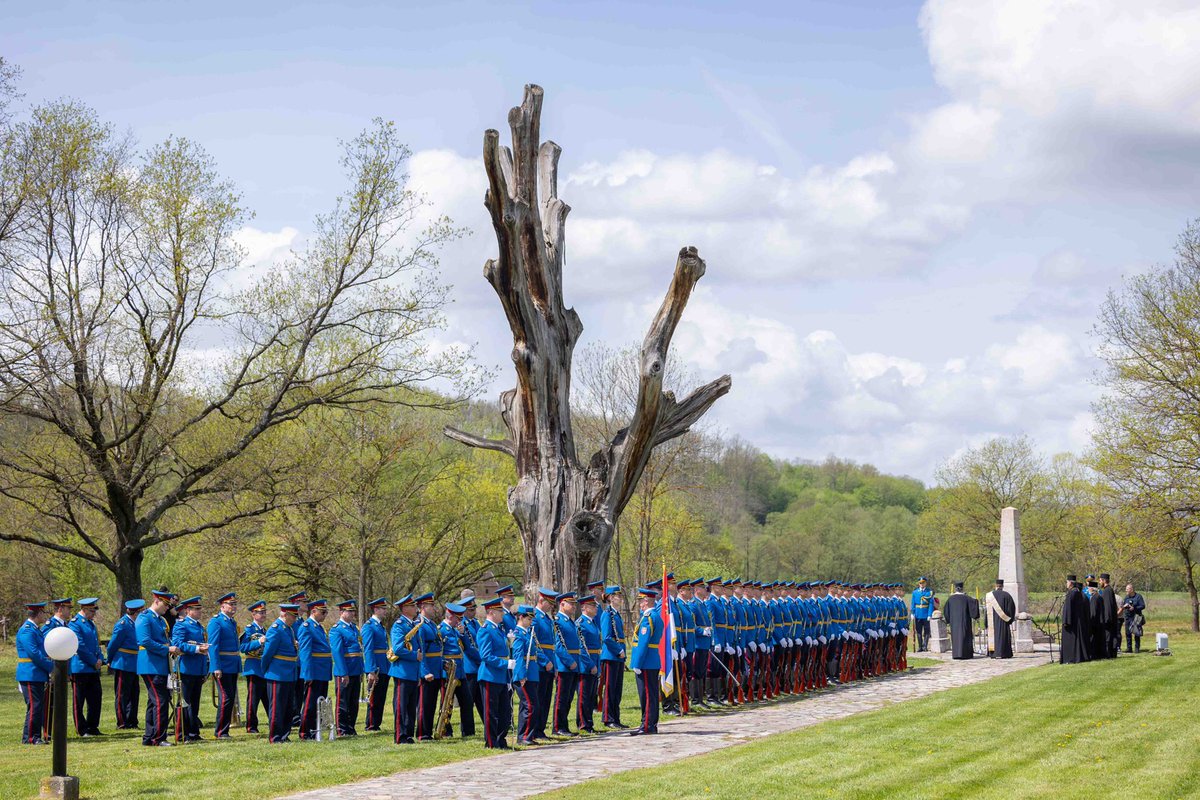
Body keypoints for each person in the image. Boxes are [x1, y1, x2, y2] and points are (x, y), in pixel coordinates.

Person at [137, 589, 180, 746]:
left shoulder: (161, 620)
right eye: (165, 604)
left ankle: (149, 736)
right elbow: (145, 641)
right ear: (156, 601)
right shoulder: (144, 618)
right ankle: (158, 738)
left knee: (153, 701)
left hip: (161, 665)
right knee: (160, 701)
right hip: (150, 665)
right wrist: (167, 649)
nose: (167, 608)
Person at [476, 597, 513, 749]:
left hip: (501, 676)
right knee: (491, 712)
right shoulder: (485, 630)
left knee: (504, 710)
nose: (502, 614)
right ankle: (491, 742)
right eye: (499, 611)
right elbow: (485, 655)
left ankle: (501, 739)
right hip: (490, 675)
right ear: (491, 612)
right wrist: (505, 663)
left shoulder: (499, 630)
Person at [171, 596, 210, 743]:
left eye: (200, 609)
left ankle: (193, 732)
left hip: (197, 668)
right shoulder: (182, 625)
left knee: (194, 702)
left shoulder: (199, 626)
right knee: (184, 702)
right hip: (185, 668)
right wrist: (197, 649)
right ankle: (182, 733)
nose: (199, 611)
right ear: (188, 610)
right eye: (196, 609)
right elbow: (178, 644)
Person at [260, 602, 301, 743]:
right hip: (277, 673)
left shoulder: (288, 629)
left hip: (289, 672)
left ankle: (284, 734)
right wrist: (266, 670)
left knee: (288, 706)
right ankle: (275, 736)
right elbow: (267, 654)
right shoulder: (276, 629)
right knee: (277, 707)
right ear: (285, 614)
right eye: (293, 616)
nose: (295, 619)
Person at [17, 601, 55, 744]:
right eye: (43, 612)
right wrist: (51, 667)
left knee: (38, 706)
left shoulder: (35, 629)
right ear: (38, 613)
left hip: (37, 673)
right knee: (35, 706)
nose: (44, 615)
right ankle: (31, 738)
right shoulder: (27, 630)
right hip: (30, 673)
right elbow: (34, 653)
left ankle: (33, 736)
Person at [437, 602, 477, 738]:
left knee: (467, 701)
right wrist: (444, 664)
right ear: (450, 617)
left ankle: (468, 731)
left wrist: (463, 634)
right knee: (446, 702)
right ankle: (445, 730)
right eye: (458, 619)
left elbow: (466, 647)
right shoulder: (441, 630)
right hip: (448, 670)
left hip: (460, 670)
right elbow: (438, 651)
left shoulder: (456, 630)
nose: (460, 621)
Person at [68, 597, 105, 737]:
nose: (94, 613)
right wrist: (93, 660)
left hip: (93, 667)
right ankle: (81, 729)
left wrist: (100, 658)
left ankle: (92, 727)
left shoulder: (90, 624)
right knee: (79, 700)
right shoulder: (75, 624)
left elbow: (96, 644)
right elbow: (79, 646)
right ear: (83, 609)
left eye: (94, 609)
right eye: (91, 610)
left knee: (95, 698)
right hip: (81, 667)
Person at [207, 592, 241, 739]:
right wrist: (216, 666)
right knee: (226, 698)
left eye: (235, 604)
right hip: (223, 665)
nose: (234, 607)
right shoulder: (216, 622)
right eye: (231, 604)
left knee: (230, 698)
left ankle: (224, 730)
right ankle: (220, 731)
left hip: (232, 664)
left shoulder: (231, 622)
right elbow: (213, 646)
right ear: (222, 606)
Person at [629, 587, 661, 736]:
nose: (640, 604)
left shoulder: (648, 618)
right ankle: (651, 723)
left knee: (647, 694)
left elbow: (643, 644)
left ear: (646, 601)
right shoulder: (654, 616)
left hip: (646, 662)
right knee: (652, 694)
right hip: (651, 660)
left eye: (641, 601)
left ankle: (647, 724)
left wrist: (637, 663)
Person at [388, 594, 420, 744]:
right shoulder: (399, 625)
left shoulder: (412, 625)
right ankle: (400, 735)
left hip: (413, 671)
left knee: (411, 705)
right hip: (403, 670)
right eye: (413, 606)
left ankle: (408, 734)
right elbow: (398, 648)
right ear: (405, 608)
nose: (416, 609)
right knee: (401, 705)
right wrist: (415, 656)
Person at [297, 598, 331, 740]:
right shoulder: (307, 627)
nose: (325, 614)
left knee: (320, 703)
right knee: (311, 704)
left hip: (322, 671)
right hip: (314, 671)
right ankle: (305, 732)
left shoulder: (318, 627)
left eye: (326, 612)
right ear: (314, 611)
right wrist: (308, 673)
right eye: (323, 612)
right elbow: (305, 652)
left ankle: (316, 729)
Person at [106, 599, 143, 730]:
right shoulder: (123, 624)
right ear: (136, 612)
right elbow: (112, 645)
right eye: (140, 611)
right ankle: (122, 722)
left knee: (134, 693)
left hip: (134, 662)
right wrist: (109, 660)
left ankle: (132, 720)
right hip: (123, 662)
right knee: (122, 694)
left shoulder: (136, 623)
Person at [552, 591, 585, 737]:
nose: (573, 606)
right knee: (561, 697)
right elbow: (558, 646)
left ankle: (564, 726)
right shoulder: (558, 621)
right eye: (570, 604)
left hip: (573, 664)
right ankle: (558, 727)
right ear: (562, 604)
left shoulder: (570, 621)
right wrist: (569, 662)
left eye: (574, 604)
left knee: (569, 697)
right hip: (564, 665)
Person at [413, 593, 444, 741]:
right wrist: (425, 671)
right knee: (424, 704)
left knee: (431, 703)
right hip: (428, 670)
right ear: (423, 607)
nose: (434, 608)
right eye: (431, 606)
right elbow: (421, 650)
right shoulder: (419, 624)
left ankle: (428, 732)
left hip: (436, 668)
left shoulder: (431, 624)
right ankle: (422, 733)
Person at [330, 599, 363, 736]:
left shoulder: (354, 628)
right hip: (345, 670)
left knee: (353, 702)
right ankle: (342, 729)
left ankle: (351, 727)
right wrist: (344, 673)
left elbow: (359, 650)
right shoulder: (337, 629)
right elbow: (337, 653)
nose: (352, 613)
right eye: (349, 611)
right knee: (343, 701)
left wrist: (361, 670)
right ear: (341, 612)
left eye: (353, 611)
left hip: (356, 668)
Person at [359, 597, 390, 732]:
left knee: (381, 697)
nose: (385, 611)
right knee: (374, 698)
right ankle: (371, 724)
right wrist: (371, 670)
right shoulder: (369, 626)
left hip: (384, 665)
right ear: (376, 609)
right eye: (383, 609)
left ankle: (376, 723)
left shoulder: (380, 626)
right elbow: (368, 649)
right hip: (376, 667)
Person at [531, 588, 559, 740]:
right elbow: (534, 643)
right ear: (541, 601)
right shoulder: (535, 618)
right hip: (540, 665)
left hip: (549, 664)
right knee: (539, 699)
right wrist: (544, 661)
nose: (551, 606)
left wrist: (554, 665)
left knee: (546, 699)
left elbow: (552, 646)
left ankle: (541, 729)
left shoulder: (547, 619)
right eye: (549, 603)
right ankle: (535, 729)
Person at [598, 585, 627, 728]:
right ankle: (608, 718)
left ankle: (616, 717)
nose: (620, 598)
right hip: (611, 655)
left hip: (618, 654)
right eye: (617, 595)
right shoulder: (606, 614)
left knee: (617, 688)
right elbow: (607, 637)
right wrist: (618, 650)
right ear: (610, 597)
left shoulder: (615, 614)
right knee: (610, 688)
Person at [511, 604, 540, 746]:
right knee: (529, 705)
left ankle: (528, 735)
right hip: (523, 675)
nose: (530, 621)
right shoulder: (518, 634)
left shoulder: (527, 633)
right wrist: (521, 675)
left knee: (530, 705)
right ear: (521, 617)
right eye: (529, 618)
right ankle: (524, 736)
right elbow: (518, 656)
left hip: (532, 673)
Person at [240, 600, 268, 734]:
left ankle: (273, 722)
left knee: (268, 699)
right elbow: (243, 647)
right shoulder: (249, 629)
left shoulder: (265, 630)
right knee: (253, 700)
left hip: (264, 668)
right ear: (253, 614)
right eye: (260, 613)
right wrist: (258, 642)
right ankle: (251, 726)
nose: (263, 615)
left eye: (264, 612)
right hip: (253, 668)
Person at [575, 594, 602, 733]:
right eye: (592, 606)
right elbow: (581, 647)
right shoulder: (580, 624)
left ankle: (589, 723)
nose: (595, 608)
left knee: (591, 695)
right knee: (584, 696)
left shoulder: (592, 622)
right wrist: (590, 664)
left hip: (595, 660)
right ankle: (583, 723)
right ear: (584, 607)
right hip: (585, 665)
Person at [942, 582, 976, 660]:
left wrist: (948, 620)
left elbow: (946, 611)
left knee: (956, 637)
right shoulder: (967, 598)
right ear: (962, 588)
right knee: (965, 636)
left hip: (954, 623)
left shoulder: (950, 599)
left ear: (955, 588)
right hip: (965, 622)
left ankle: (956, 654)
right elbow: (974, 607)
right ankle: (966, 654)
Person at [1060, 576, 1090, 664]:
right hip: (1076, 620)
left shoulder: (1072, 593)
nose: (1066, 584)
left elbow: (1068, 608)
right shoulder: (1077, 592)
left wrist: (1066, 621)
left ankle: (1069, 658)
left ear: (1071, 583)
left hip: (1071, 621)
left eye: (1067, 582)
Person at [985, 579, 1015, 659]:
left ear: (995, 585)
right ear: (1002, 586)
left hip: (992, 622)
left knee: (993, 637)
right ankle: (1004, 653)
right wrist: (1010, 620)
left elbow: (987, 611)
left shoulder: (989, 596)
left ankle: (993, 653)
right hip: (1003, 623)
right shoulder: (1007, 596)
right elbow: (1011, 609)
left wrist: (986, 623)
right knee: (1003, 637)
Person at [1120, 584, 1146, 653]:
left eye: (1127, 589)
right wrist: (1125, 606)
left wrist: (1134, 608)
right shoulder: (1126, 597)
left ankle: (1137, 648)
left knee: (1136, 633)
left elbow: (1143, 606)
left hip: (1136, 617)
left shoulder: (1138, 597)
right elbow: (1123, 606)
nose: (1126, 590)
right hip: (1128, 617)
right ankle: (1129, 648)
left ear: (1131, 589)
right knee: (1128, 633)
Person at [1099, 574, 1120, 658]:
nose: (1099, 582)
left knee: (1108, 638)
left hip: (1108, 620)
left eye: (1100, 580)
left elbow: (1107, 607)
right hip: (1111, 619)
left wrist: (1106, 620)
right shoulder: (1108, 590)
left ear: (1104, 581)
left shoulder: (1107, 591)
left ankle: (1109, 654)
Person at [910, 578, 934, 652]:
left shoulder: (929, 592)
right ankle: (920, 646)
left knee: (927, 631)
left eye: (923, 583)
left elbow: (931, 604)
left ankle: (925, 646)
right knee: (919, 631)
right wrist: (912, 613)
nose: (921, 584)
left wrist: (929, 614)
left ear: (925, 583)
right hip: (918, 614)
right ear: (918, 583)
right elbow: (913, 603)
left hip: (926, 613)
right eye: (920, 583)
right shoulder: (915, 592)